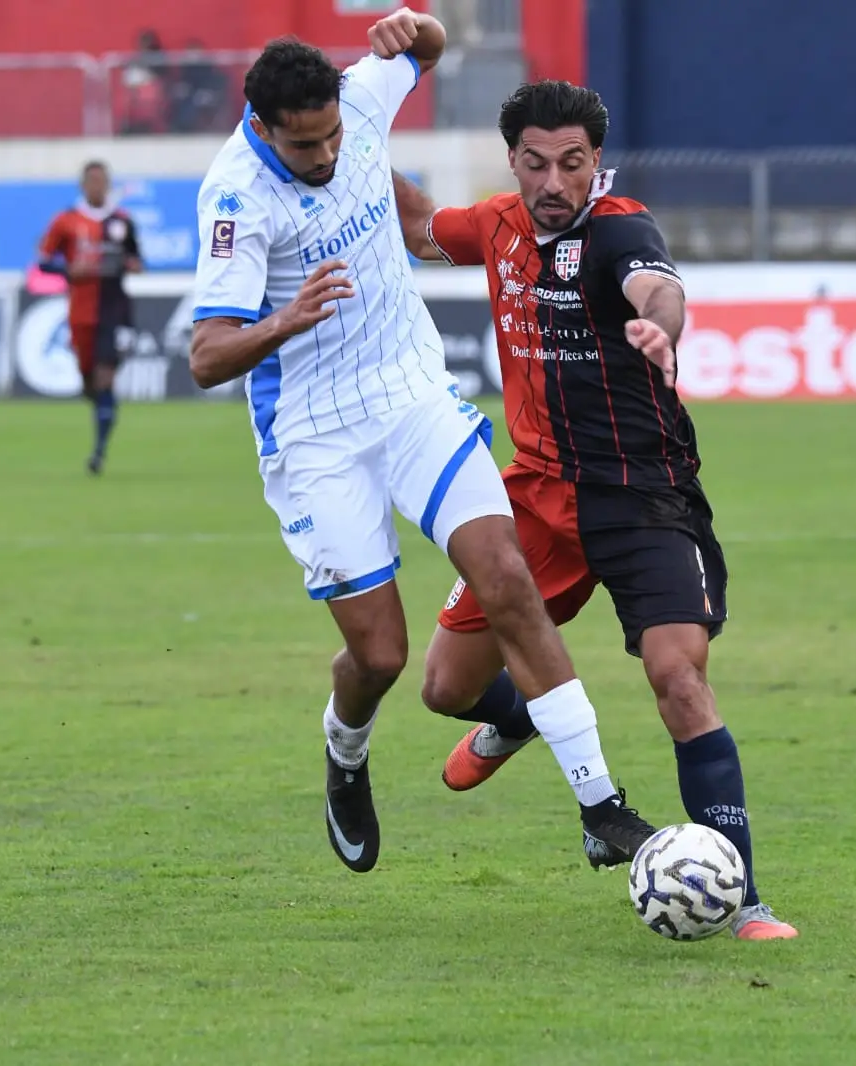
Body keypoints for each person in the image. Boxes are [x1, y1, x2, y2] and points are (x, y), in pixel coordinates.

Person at [186, 12, 655, 875]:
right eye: (305, 148)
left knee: (506, 576)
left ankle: (600, 804)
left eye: (332, 136)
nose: (326, 157)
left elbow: (427, 52)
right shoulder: (233, 200)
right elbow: (206, 355)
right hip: (316, 435)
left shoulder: (360, 102)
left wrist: (421, 26)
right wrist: (284, 318)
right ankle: (345, 753)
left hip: (410, 399)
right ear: (262, 129)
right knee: (381, 655)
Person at [392, 80, 799, 940]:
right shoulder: (499, 225)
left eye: (570, 164)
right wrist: (354, 147)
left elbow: (658, 288)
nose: (552, 182)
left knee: (678, 679)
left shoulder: (619, 229)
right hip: (534, 499)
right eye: (535, 163)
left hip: (642, 497)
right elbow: (422, 226)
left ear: (594, 164)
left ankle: (742, 898)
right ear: (512, 161)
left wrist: (660, 326)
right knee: (441, 688)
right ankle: (523, 715)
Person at [37, 160, 143, 475]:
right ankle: (97, 402)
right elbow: (43, 262)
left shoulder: (121, 221)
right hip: (81, 313)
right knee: (89, 382)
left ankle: (98, 453)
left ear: (108, 185)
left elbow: (137, 259)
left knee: (105, 377)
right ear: (83, 185)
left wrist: (131, 264)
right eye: (92, 181)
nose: (97, 186)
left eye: (102, 181)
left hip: (115, 311)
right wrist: (68, 270)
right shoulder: (66, 221)